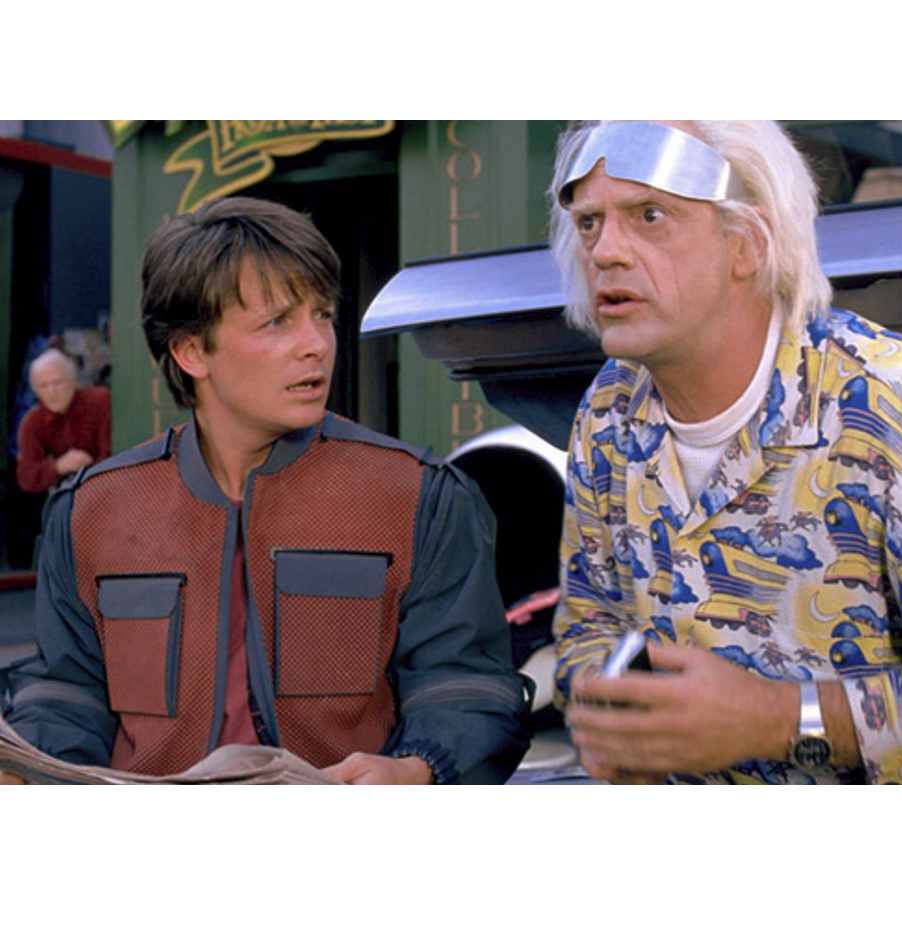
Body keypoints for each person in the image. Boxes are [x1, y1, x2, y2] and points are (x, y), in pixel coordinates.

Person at [0, 196, 531, 785]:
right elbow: (64, 693)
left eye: (322, 314)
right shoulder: (90, 512)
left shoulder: (419, 499)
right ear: (191, 350)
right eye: (278, 321)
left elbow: (466, 685)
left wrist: (418, 768)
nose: (317, 343)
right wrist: (27, 773)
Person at [548, 120, 902, 785]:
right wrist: (610, 713)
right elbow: (589, 623)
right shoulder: (607, 411)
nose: (604, 250)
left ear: (745, 243)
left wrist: (780, 718)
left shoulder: (893, 403)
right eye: (588, 223)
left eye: (649, 215)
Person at [15, 347, 111, 494]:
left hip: (107, 486)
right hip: (67, 493)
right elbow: (26, 477)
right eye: (43, 385)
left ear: (72, 380)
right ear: (36, 391)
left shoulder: (100, 401)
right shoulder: (33, 421)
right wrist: (58, 466)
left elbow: (111, 454)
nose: (52, 391)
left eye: (58, 382)